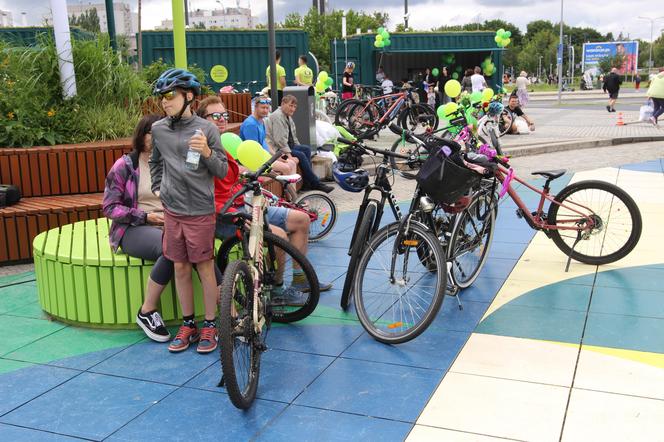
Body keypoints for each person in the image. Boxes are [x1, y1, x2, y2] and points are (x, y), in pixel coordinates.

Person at [149, 68, 228, 354]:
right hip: (173, 212)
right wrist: (159, 189)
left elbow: (222, 170)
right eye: (161, 97)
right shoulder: (158, 129)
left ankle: (210, 324)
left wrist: (206, 152)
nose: (164, 102)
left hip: (200, 212)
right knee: (180, 267)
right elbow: (155, 163)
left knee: (205, 268)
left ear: (189, 96)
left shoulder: (206, 129)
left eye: (170, 95)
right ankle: (188, 324)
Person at [266, 95, 334, 193]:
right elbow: (279, 140)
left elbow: (293, 137)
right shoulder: (277, 116)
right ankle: (315, 183)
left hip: (288, 145)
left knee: (306, 149)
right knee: (301, 155)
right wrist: (289, 156)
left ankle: (306, 184)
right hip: (278, 150)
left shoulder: (287, 116)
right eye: (290, 106)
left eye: (294, 107)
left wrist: (298, 146)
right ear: (283, 104)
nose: (293, 109)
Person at [240, 96, 297, 176]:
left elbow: (265, 143)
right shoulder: (250, 125)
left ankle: (292, 188)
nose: (265, 110)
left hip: (265, 155)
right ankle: (288, 188)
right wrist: (272, 158)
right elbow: (254, 151)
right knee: (286, 168)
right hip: (255, 159)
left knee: (291, 162)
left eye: (267, 108)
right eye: (262, 108)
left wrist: (276, 156)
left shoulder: (261, 121)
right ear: (255, 107)